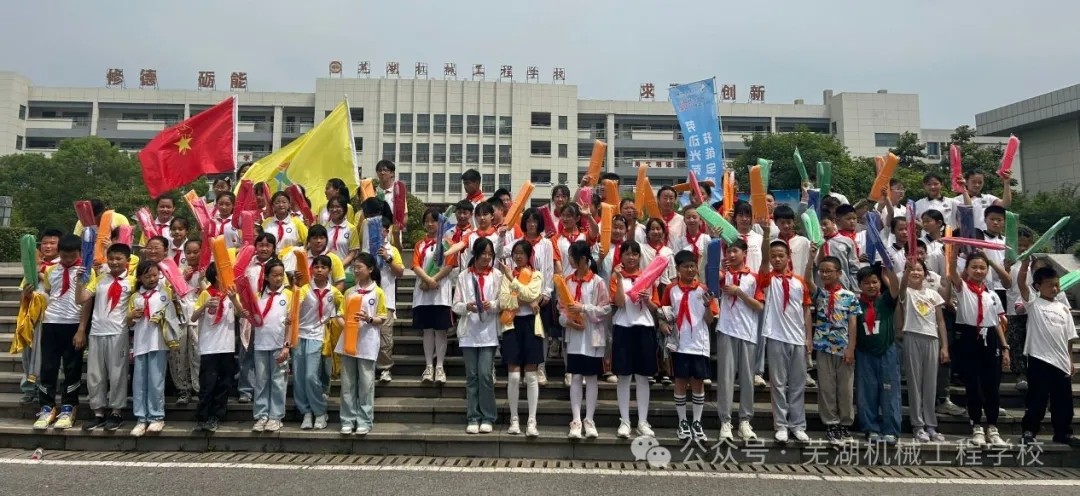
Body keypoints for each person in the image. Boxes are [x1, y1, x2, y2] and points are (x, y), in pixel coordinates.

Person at [755, 222, 813, 444]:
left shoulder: (799, 282)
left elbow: (806, 310)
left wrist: (808, 337)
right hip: (776, 337)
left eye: (781, 255)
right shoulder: (767, 279)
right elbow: (763, 260)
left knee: (797, 384)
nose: (777, 259)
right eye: (774, 256)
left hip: (797, 338)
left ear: (788, 257)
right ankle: (781, 424)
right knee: (778, 384)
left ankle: (798, 425)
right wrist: (766, 235)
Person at [947, 248, 1009, 447]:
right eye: (974, 267)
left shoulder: (992, 295)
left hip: (990, 338)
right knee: (973, 385)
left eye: (982, 267)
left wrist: (1005, 346)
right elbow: (952, 272)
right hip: (969, 336)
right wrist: (954, 252)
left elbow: (997, 322)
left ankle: (993, 427)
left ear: (987, 270)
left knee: (992, 385)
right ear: (967, 269)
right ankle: (977, 426)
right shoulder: (963, 288)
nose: (978, 271)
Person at [1017, 258, 1080, 447]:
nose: (1055, 289)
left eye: (1057, 285)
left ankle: (1063, 432)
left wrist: (1070, 360)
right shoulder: (1033, 303)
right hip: (1039, 358)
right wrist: (1024, 265)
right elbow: (1021, 284)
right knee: (1038, 397)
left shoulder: (1063, 309)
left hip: (1061, 361)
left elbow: (1069, 338)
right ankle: (1029, 431)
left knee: (1063, 401)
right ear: (1038, 286)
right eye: (1050, 285)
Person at [659, 250, 718, 442]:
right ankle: (683, 421)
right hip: (679, 343)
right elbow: (663, 313)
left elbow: (710, 320)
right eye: (686, 266)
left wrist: (708, 305)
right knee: (680, 382)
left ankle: (697, 422)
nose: (690, 270)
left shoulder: (704, 289)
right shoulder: (671, 289)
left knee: (698, 382)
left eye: (693, 266)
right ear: (678, 269)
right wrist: (663, 324)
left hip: (699, 343)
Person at [30, 234, 88, 429]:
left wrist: (82, 329)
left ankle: (69, 407)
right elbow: (48, 293)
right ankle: (46, 407)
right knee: (48, 367)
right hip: (51, 322)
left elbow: (87, 302)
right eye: (64, 256)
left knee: (72, 368)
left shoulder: (85, 271)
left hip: (73, 323)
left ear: (80, 253)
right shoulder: (51, 270)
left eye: (72, 256)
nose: (68, 260)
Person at [75, 243, 135, 433]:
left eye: (119, 259)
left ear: (127, 261)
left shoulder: (133, 282)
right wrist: (79, 281)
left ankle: (116, 412)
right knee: (95, 375)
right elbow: (80, 299)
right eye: (111, 259)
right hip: (97, 332)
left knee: (117, 374)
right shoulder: (100, 279)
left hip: (118, 332)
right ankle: (98, 412)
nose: (114, 262)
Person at [560, 241, 611, 440]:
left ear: (583, 259)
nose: (570, 260)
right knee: (575, 377)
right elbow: (561, 308)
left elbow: (605, 309)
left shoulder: (598, 282)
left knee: (591, 378)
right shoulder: (567, 281)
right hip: (574, 336)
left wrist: (584, 308)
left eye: (572, 256)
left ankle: (589, 419)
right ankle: (576, 420)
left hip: (592, 337)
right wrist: (568, 321)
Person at [609, 240, 660, 439]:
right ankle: (625, 421)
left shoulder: (648, 277)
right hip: (623, 327)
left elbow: (655, 307)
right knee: (623, 376)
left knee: (642, 377)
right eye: (627, 254)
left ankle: (642, 421)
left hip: (644, 327)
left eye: (635, 254)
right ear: (621, 256)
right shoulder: (616, 277)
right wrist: (620, 279)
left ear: (639, 257)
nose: (631, 257)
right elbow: (619, 303)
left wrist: (647, 299)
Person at [453, 238, 502, 434]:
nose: (487, 257)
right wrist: (467, 307)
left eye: (490, 254)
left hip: (488, 333)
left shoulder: (497, 275)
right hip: (469, 333)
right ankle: (473, 416)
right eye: (483, 253)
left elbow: (503, 302)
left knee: (485, 375)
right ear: (475, 254)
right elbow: (455, 306)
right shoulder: (464, 276)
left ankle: (488, 416)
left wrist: (493, 305)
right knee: (472, 376)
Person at [714, 239, 762, 442]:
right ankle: (725, 421)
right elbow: (709, 282)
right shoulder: (723, 275)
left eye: (735, 251)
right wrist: (718, 267)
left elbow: (759, 306)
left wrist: (739, 292)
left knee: (747, 379)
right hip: (726, 329)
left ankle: (744, 421)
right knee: (725, 378)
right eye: (728, 252)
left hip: (748, 332)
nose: (731, 255)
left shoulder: (754, 277)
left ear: (744, 253)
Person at [809, 256, 860, 446]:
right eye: (822, 271)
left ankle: (845, 423)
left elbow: (853, 324)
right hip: (823, 347)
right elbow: (807, 279)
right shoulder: (819, 294)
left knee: (845, 389)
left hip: (843, 348)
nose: (824, 274)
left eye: (829, 271)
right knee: (826, 388)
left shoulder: (849, 296)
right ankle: (831, 423)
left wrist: (851, 348)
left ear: (839, 273)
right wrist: (810, 258)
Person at [897, 259, 949, 443]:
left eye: (919, 269)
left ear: (925, 274)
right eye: (912, 270)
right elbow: (901, 288)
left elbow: (940, 321)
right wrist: (906, 271)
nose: (915, 272)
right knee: (915, 383)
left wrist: (944, 346)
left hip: (932, 339)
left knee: (930, 384)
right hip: (912, 336)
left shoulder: (933, 294)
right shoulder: (906, 292)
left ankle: (931, 426)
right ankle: (918, 425)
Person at [497, 240, 544, 438]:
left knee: (531, 376)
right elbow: (504, 301)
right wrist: (527, 300)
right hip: (512, 324)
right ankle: (514, 419)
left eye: (522, 253)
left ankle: (532, 420)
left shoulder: (536, 275)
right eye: (515, 253)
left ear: (528, 255)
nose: (518, 256)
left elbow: (533, 293)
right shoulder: (506, 275)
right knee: (514, 376)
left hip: (531, 325)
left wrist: (514, 283)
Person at [292, 255, 342, 431]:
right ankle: (306, 412)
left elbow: (343, 310)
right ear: (311, 269)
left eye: (323, 267)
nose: (319, 270)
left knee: (311, 376)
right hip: (300, 335)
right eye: (316, 267)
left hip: (318, 336)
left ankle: (320, 412)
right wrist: (296, 287)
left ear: (329, 271)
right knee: (298, 377)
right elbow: (294, 307)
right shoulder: (304, 289)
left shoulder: (334, 292)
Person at [337, 253, 385, 435]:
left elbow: (382, 317)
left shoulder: (377, 292)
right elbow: (340, 315)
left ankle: (364, 419)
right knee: (347, 383)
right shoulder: (349, 292)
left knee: (366, 383)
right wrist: (348, 327)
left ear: (370, 269)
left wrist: (368, 318)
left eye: (359, 267)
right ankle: (347, 419)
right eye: (354, 267)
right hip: (348, 342)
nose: (356, 270)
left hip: (367, 343)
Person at [128, 260, 177, 437]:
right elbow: (129, 323)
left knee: (156, 381)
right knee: (139, 382)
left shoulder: (165, 293)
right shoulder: (135, 297)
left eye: (155, 275)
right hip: (141, 344)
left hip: (158, 343)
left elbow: (172, 315)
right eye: (147, 276)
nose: (152, 279)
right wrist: (131, 315)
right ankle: (141, 418)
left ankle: (156, 417)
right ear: (140, 278)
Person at [191, 264, 241, 433]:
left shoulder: (231, 294)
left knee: (224, 383)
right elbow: (193, 317)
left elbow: (242, 314)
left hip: (226, 346)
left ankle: (216, 416)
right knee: (207, 383)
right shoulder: (206, 293)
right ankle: (202, 416)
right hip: (209, 347)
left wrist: (234, 299)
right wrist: (204, 306)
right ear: (217, 276)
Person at [412, 208, 455, 385]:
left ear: (440, 223)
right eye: (427, 221)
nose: (430, 224)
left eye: (434, 220)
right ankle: (429, 366)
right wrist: (428, 280)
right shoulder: (419, 244)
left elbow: (449, 265)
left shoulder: (448, 243)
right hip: (423, 293)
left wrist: (433, 280)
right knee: (427, 331)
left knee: (440, 330)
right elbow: (415, 265)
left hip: (440, 292)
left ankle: (440, 367)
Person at [250, 259, 291, 433]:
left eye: (281, 275)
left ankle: (276, 416)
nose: (278, 278)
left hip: (279, 345)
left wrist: (286, 346)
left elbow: (291, 322)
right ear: (266, 276)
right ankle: (262, 415)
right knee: (261, 381)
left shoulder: (289, 295)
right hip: (260, 344)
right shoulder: (258, 295)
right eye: (274, 275)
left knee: (278, 381)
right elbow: (249, 316)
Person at [520, 208, 559, 386]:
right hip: (522, 297)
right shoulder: (518, 243)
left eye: (535, 221)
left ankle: (541, 367)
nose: (532, 224)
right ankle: (527, 368)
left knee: (541, 332)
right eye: (528, 221)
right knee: (525, 333)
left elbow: (549, 269)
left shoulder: (546, 244)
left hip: (541, 296)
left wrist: (547, 291)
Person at [239, 233, 279, 404]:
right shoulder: (247, 264)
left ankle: (266, 389)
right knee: (246, 352)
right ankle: (246, 390)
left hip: (270, 315)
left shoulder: (277, 267)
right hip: (249, 314)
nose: (264, 248)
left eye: (268, 245)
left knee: (268, 354)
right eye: (260, 245)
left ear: (273, 248)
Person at [371, 216, 405, 383]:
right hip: (368, 298)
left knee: (385, 337)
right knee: (369, 336)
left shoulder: (393, 250)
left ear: (386, 231)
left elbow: (400, 272)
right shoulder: (368, 249)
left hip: (387, 300)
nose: (380, 233)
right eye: (376, 230)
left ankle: (384, 368)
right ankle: (370, 366)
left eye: (382, 230)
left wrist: (388, 258)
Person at [170, 238, 202, 407]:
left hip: (198, 318)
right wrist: (182, 278)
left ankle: (199, 387)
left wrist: (202, 278)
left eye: (195, 252)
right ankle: (183, 388)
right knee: (178, 354)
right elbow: (171, 292)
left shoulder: (206, 271)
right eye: (188, 252)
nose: (192, 255)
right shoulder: (177, 271)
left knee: (197, 353)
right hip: (180, 317)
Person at [374, 161, 406, 249]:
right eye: (379, 170)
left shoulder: (398, 193)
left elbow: (404, 215)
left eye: (385, 170)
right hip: (375, 230)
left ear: (392, 173)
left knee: (394, 254)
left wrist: (398, 228)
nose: (382, 173)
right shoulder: (373, 192)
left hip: (393, 231)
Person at [323, 195, 359, 270]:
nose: (334, 209)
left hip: (345, 270)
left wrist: (339, 266)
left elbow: (352, 253)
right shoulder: (324, 228)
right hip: (326, 270)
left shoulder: (351, 229)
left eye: (338, 207)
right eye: (331, 207)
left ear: (344, 209)